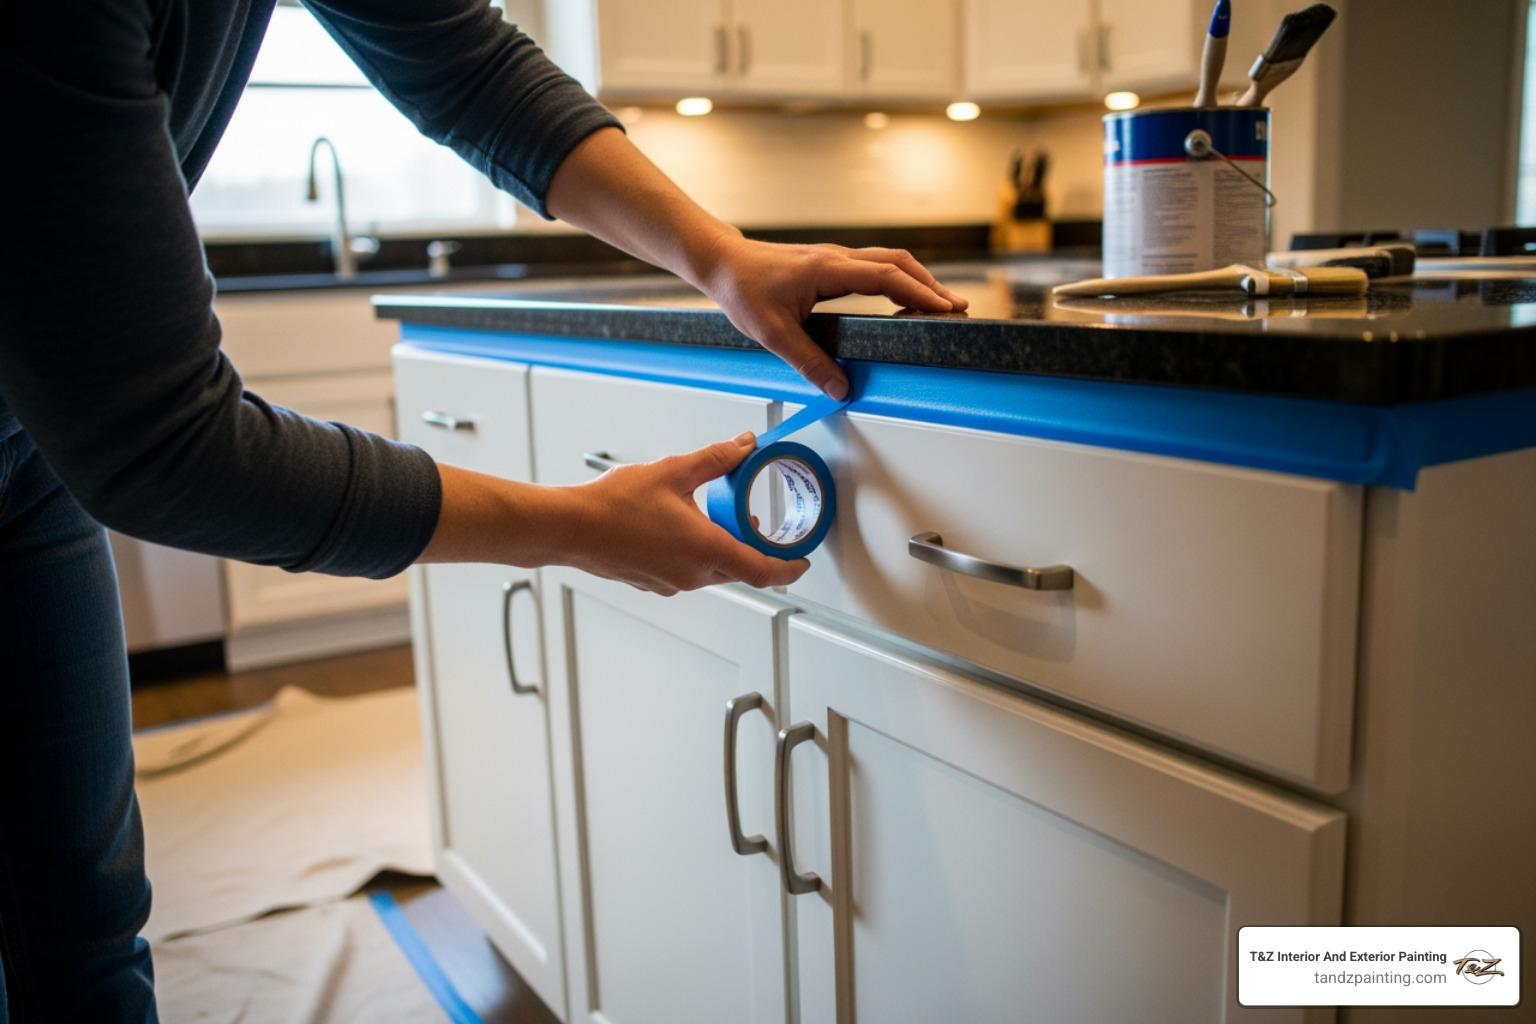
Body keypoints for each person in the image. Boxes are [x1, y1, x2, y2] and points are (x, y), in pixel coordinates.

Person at [0, 1, 967, 1020]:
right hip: (52, 427)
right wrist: (578, 525)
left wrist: (720, 255)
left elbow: (464, 67)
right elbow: (170, 447)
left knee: (86, 925)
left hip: (26, 456)